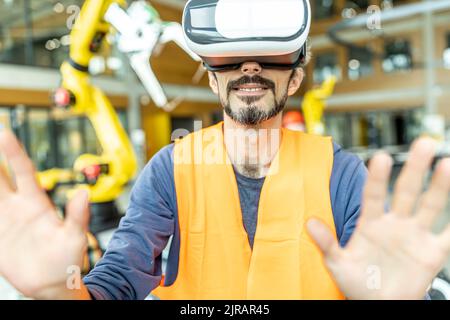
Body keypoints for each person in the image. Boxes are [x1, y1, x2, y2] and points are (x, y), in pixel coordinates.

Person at [0, 0, 450, 300]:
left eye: (269, 59)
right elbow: (122, 276)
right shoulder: (171, 168)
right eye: (230, 59)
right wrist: (62, 290)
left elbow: (376, 275)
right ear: (212, 77)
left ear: (294, 78)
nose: (250, 66)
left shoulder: (341, 172)